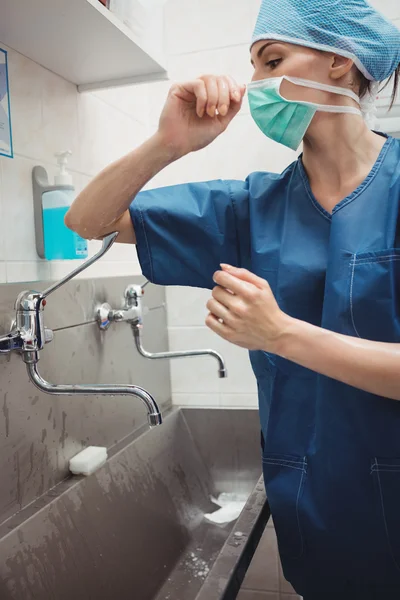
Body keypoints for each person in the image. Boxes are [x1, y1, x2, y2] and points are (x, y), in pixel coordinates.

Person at [65, 0, 400, 597]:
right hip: (316, 517)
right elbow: (88, 220)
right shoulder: (250, 207)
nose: (255, 87)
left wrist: (280, 335)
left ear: (340, 63)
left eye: (272, 61)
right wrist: (167, 145)